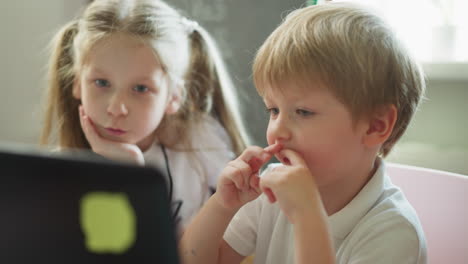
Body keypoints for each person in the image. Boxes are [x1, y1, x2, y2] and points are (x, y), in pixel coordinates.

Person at [180, 2, 427, 263]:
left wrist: (307, 217)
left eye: (304, 112)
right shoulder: (272, 189)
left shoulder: (393, 233)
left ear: (375, 126)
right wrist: (221, 205)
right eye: (273, 110)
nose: (277, 131)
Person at [40, 0, 249, 231]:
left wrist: (134, 176)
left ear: (173, 97)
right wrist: (123, 174)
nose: (116, 108)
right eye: (101, 83)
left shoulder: (202, 146)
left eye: (140, 89)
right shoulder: (60, 174)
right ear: (77, 83)